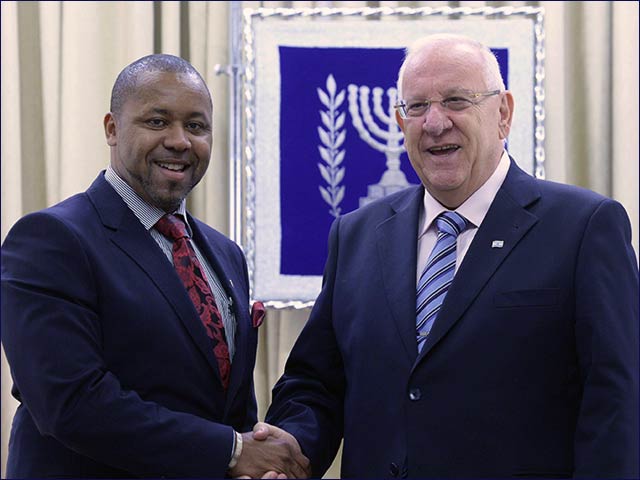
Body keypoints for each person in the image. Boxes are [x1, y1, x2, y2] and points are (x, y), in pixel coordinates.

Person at [259, 34, 639, 477]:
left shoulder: (584, 228)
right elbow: (317, 384)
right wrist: (288, 452)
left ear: (503, 113)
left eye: (456, 100)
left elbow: (616, 404)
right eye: (416, 106)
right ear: (401, 123)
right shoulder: (356, 234)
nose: (435, 123)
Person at [1, 54, 309, 478]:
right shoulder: (50, 240)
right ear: (112, 128)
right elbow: (71, 403)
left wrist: (256, 458)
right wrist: (233, 452)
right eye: (158, 122)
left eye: (196, 126)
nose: (180, 141)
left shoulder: (225, 254)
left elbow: (229, 407)